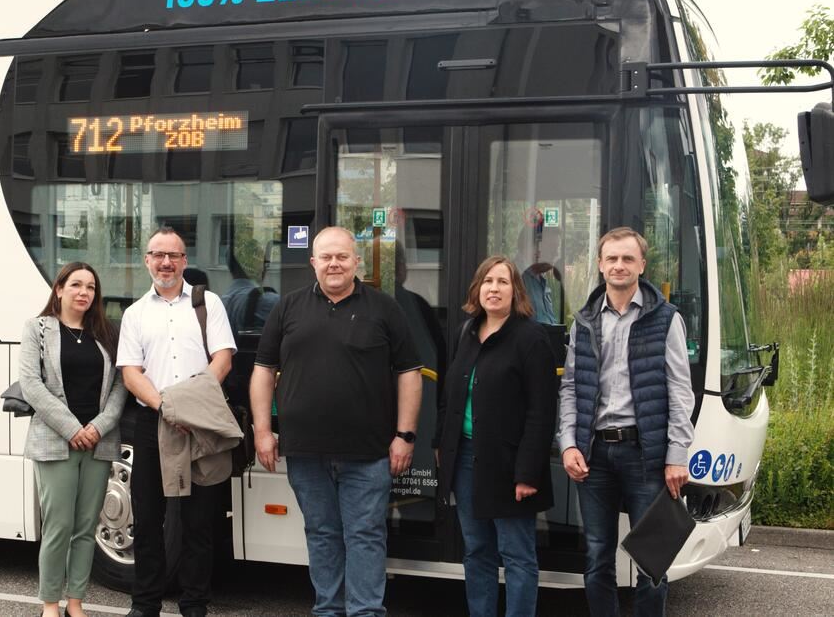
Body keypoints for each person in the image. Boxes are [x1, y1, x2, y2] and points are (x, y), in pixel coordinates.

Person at [250, 226, 423, 617]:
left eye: (342, 256)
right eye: (326, 257)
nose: (334, 264)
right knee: (322, 534)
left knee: (365, 536)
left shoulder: (384, 308)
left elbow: (409, 373)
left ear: (356, 261)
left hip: (368, 454)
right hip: (305, 452)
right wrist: (262, 430)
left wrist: (405, 435)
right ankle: (328, 611)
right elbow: (263, 370)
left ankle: (364, 612)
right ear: (313, 262)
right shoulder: (288, 308)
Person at [558, 227, 694, 616]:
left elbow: (680, 390)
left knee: (653, 563)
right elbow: (570, 387)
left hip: (645, 456)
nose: (619, 265)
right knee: (597, 557)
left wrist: (677, 454)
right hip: (594, 456)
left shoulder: (665, 319)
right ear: (600, 265)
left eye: (628, 258)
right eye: (612, 258)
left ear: (642, 265)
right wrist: (568, 443)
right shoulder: (583, 321)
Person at [117, 226, 237, 617]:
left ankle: (194, 604)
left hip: (201, 424)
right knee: (148, 520)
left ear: (184, 261)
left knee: (199, 522)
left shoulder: (208, 304)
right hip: (152, 425)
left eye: (173, 255)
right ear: (147, 261)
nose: (165, 262)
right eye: (158, 255)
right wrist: (169, 409)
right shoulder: (135, 314)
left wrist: (188, 407)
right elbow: (131, 373)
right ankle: (145, 604)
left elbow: (223, 360)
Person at [434, 255, 557, 617]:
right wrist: (442, 443)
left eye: (503, 282)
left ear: (516, 291)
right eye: (487, 281)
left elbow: (541, 412)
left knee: (517, 555)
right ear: (477, 289)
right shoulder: (467, 332)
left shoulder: (531, 338)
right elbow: (450, 395)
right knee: (476, 551)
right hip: (465, 459)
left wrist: (527, 473)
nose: (494, 288)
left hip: (510, 465)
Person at [19, 261, 127, 617]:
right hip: (55, 443)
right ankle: (50, 604)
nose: (84, 292)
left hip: (98, 443)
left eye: (91, 287)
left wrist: (97, 427)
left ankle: (76, 603)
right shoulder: (37, 329)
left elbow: (120, 386)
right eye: (76, 285)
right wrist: (72, 429)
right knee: (58, 526)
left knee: (85, 529)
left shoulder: (106, 333)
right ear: (60, 289)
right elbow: (31, 385)